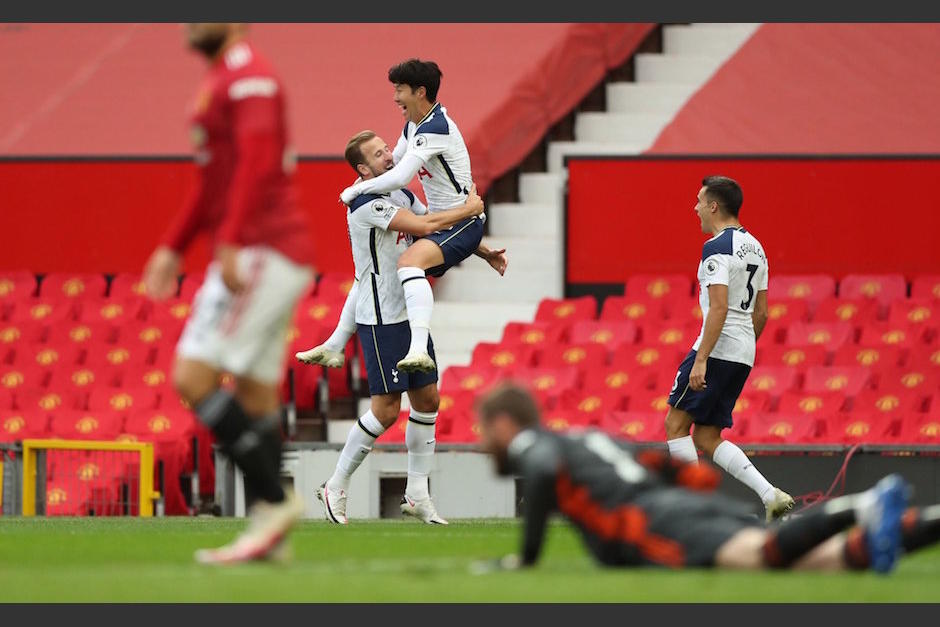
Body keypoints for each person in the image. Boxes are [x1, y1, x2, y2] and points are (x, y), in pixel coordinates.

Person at [142, 23, 312, 564]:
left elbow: (259, 164)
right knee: (257, 396)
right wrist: (173, 246)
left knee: (192, 376)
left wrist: (232, 240)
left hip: (263, 247)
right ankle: (270, 535)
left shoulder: (249, 78)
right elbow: (213, 183)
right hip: (265, 249)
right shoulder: (223, 78)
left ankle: (275, 500)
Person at [473, 383, 940, 575]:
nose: (482, 442)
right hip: (679, 506)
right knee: (819, 561)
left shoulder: (533, 444)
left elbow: (536, 472)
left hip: (650, 522)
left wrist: (527, 558)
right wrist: (692, 485)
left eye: (484, 431)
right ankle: (930, 522)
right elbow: (656, 462)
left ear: (505, 425)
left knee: (760, 556)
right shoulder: (585, 438)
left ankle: (862, 506)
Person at [311, 130, 486, 525]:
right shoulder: (364, 203)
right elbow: (426, 228)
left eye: (387, 148)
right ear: (362, 168)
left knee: (427, 401)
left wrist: (484, 249)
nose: (389, 156)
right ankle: (335, 485)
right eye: (378, 154)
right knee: (386, 411)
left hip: (409, 314)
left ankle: (417, 493)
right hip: (380, 317)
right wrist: (470, 208)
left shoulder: (399, 194)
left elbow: (434, 226)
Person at [337, 59, 505, 374]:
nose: (395, 97)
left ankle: (417, 349)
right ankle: (335, 345)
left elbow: (399, 177)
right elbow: (391, 164)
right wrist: (482, 252)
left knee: (408, 263)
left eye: (400, 90)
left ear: (420, 92)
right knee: (373, 269)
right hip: (446, 225)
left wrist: (353, 192)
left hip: (461, 223)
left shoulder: (435, 128)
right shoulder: (414, 125)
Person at [663, 176, 794, 522]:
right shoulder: (757, 247)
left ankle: (694, 510)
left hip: (718, 347)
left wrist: (702, 359)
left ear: (714, 206)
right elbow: (762, 312)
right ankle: (771, 495)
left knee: (675, 424)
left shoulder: (717, 247)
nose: (695, 208)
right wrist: (743, 345)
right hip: (743, 351)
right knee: (706, 436)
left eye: (698, 201)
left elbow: (719, 308)